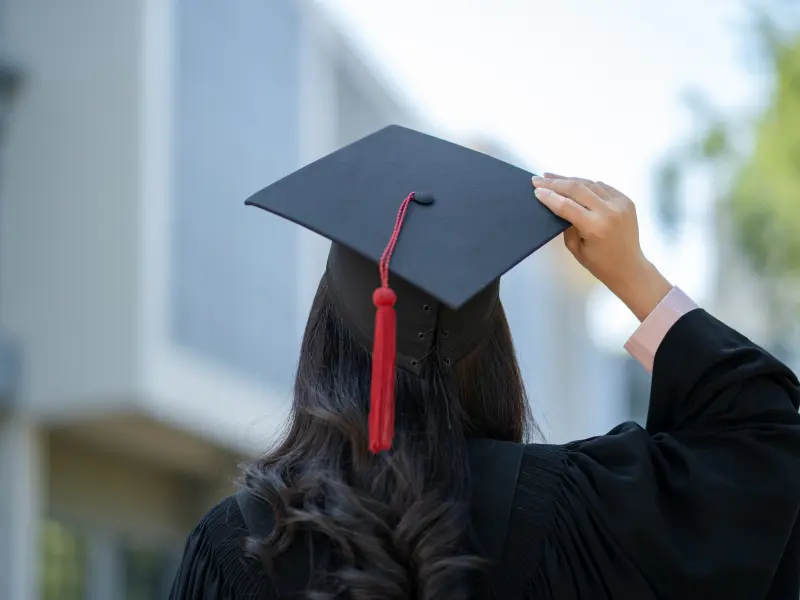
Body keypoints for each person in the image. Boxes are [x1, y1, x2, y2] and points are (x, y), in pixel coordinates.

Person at [168, 126, 800, 600]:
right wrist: (637, 279)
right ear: (492, 349)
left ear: (326, 339)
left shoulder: (240, 545)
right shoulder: (586, 511)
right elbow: (766, 441)